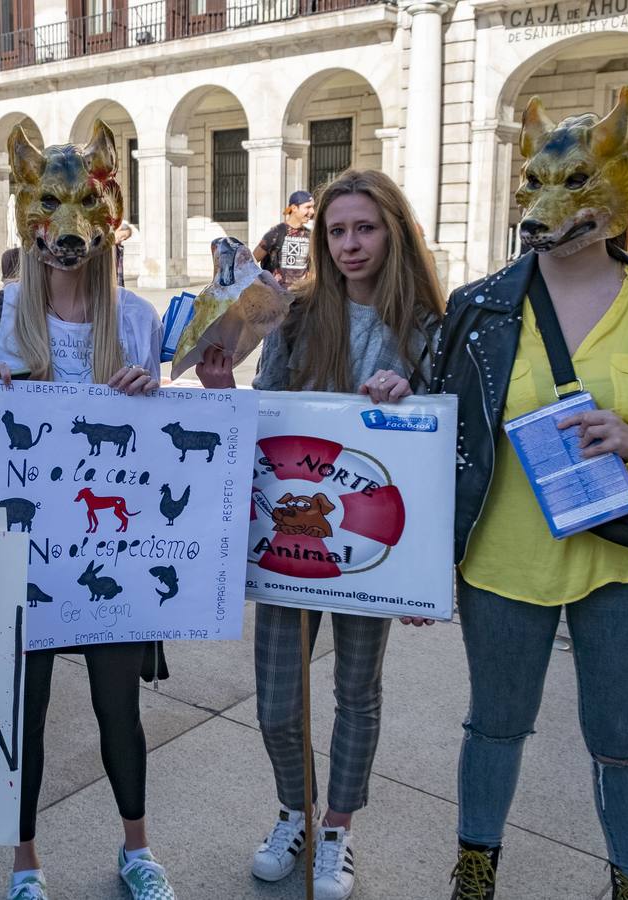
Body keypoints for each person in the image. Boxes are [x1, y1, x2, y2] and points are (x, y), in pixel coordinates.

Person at [432, 88, 628, 900]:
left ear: (618, 186)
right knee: (494, 726)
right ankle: (476, 868)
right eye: (537, 184)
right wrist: (398, 395)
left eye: (574, 184)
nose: (546, 208)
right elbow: (444, 427)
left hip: (627, 566)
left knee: (622, 739)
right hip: (504, 569)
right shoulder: (481, 308)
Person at [196, 169, 442, 900]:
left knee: (357, 692)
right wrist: (221, 395)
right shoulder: (297, 317)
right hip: (289, 539)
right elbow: (264, 417)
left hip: (371, 546)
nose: (350, 244)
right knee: (276, 702)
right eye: (337, 231)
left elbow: (439, 443)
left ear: (393, 230)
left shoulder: (429, 326)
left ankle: (336, 826)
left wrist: (413, 393)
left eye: (364, 228)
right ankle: (293, 811)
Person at [0, 122, 169, 900]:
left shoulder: (140, 322)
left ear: (109, 211)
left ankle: (137, 849)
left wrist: (156, 396)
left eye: (85, 202)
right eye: (49, 203)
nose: (67, 225)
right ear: (25, 210)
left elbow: (155, 459)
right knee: (28, 714)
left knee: (121, 710)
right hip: (21, 558)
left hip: (110, 564)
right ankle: (24, 862)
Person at [254, 190, 316, 290]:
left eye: (313, 207)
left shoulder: (310, 236)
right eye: (308, 207)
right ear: (294, 208)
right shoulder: (276, 232)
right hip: (277, 299)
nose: (312, 211)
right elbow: (252, 261)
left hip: (302, 299)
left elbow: (314, 269)